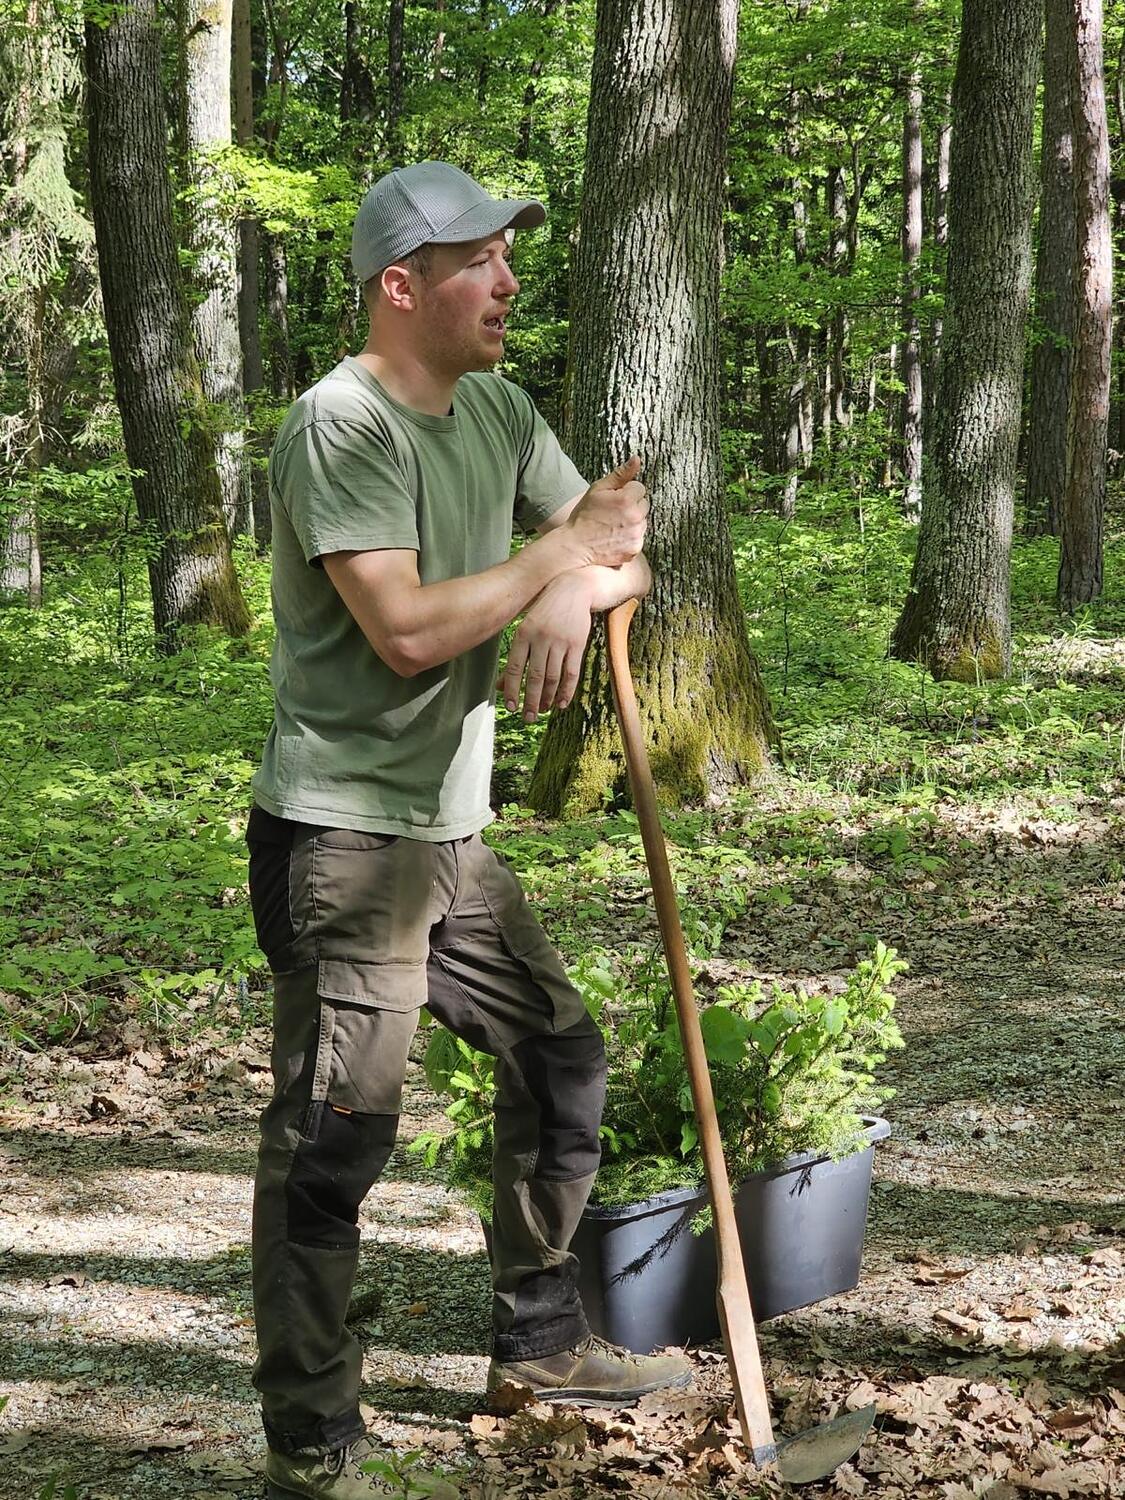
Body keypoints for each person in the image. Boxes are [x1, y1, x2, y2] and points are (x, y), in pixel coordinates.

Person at [246, 161, 692, 1500]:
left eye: (509, 257)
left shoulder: (495, 407)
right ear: (402, 285)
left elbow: (625, 545)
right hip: (344, 840)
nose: (508, 282)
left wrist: (571, 589)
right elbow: (404, 632)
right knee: (335, 1137)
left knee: (558, 1058)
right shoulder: (341, 425)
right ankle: (312, 1441)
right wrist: (554, 562)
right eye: (481, 262)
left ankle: (538, 1347)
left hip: (450, 837)